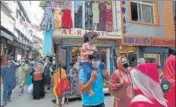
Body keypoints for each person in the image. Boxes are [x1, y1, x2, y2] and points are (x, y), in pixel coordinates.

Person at [80, 32, 98, 96]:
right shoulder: (85, 45)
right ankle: (89, 89)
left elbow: (95, 55)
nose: (96, 40)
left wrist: (94, 55)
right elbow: (81, 54)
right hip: (84, 62)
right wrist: (89, 53)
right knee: (88, 73)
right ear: (91, 39)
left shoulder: (94, 46)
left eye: (97, 38)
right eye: (95, 38)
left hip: (91, 62)